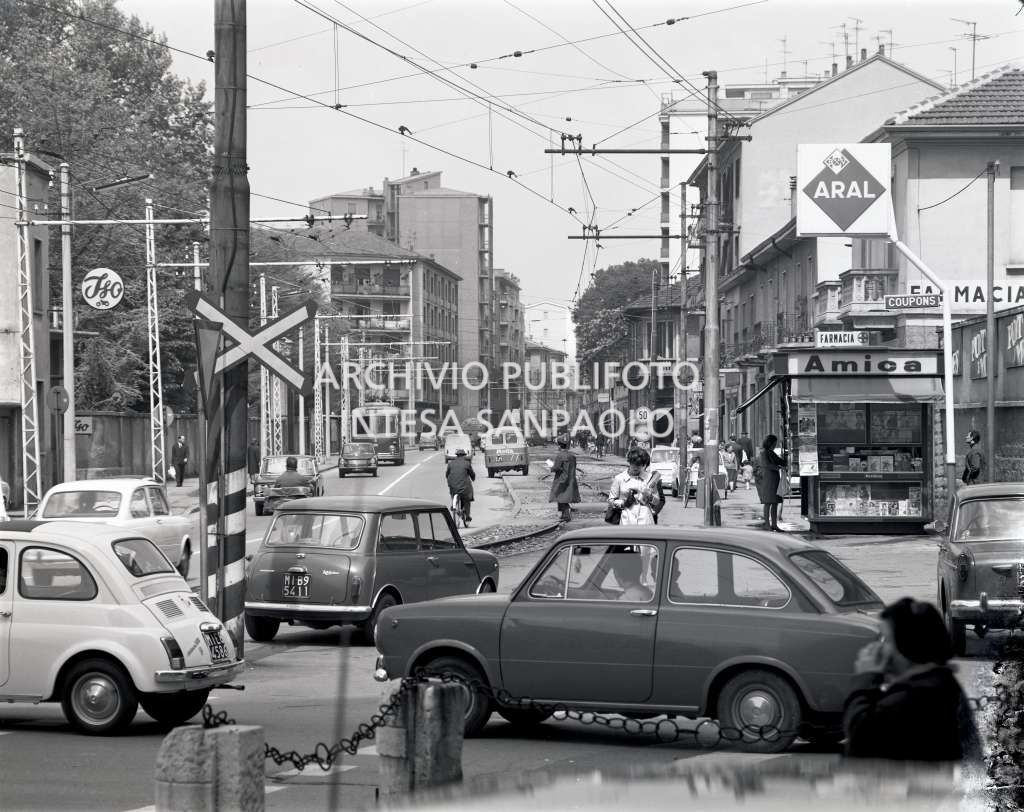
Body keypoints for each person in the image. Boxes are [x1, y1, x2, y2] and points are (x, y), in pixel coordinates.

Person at [843, 597, 981, 762]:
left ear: (906, 646)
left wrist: (865, 678)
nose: (878, 648)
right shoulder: (937, 684)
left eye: (885, 640)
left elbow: (861, 738)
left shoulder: (919, 695)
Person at [608, 447, 664, 526]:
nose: (636, 467)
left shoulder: (649, 478)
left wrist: (649, 496)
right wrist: (624, 503)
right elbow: (611, 500)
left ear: (643, 465)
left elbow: (657, 501)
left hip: (645, 520)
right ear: (629, 462)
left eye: (639, 465)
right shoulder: (619, 478)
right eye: (634, 464)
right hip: (626, 519)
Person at [755, 434, 787, 531]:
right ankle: (767, 524)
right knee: (768, 502)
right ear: (770, 443)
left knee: (775, 502)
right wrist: (778, 467)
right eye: (774, 443)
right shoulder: (764, 453)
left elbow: (779, 461)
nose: (774, 445)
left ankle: (774, 524)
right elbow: (767, 465)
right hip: (767, 480)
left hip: (774, 479)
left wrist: (785, 462)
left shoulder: (771, 452)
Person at [548, 435, 580, 523]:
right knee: (564, 496)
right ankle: (564, 514)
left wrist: (551, 467)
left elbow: (556, 467)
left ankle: (565, 514)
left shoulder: (560, 456)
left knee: (559, 495)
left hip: (561, 479)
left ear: (559, 445)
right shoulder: (572, 456)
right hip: (570, 479)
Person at [445, 447, 475, 524]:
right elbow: (472, 474)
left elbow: (447, 474)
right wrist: (473, 478)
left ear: (457, 455)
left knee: (453, 492)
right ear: (464, 455)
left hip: (453, 487)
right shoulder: (467, 463)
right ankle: (467, 517)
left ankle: (453, 504)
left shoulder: (450, 464)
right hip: (464, 488)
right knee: (467, 499)